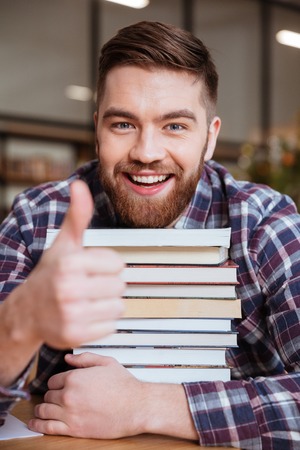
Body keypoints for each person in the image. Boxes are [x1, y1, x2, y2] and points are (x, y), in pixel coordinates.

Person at [0, 20, 300, 449]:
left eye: (175, 126)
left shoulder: (264, 224)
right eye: (123, 124)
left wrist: (147, 405)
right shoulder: (39, 219)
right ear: (97, 128)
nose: (146, 153)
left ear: (210, 138)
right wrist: (18, 325)